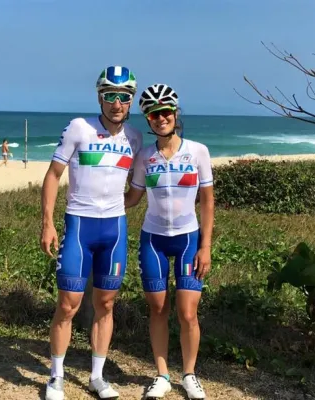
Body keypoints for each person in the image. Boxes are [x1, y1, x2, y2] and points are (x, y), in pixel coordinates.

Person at [40, 65, 143, 400]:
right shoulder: (79, 128)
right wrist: (47, 222)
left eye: (123, 97)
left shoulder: (135, 138)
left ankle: (97, 377)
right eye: (110, 95)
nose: (116, 103)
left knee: (106, 304)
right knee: (68, 305)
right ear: (100, 97)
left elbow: (139, 184)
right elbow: (53, 175)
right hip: (79, 226)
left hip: (114, 229)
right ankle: (56, 377)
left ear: (131, 101)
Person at [125, 84, 215, 399]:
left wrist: (205, 246)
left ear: (175, 114)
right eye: (153, 114)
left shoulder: (198, 151)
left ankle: (189, 375)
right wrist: (96, 203)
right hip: (153, 240)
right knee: (158, 309)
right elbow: (132, 198)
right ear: (148, 119)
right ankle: (162, 375)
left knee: (187, 312)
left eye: (165, 112)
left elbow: (207, 201)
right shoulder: (144, 156)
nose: (160, 118)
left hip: (189, 239)